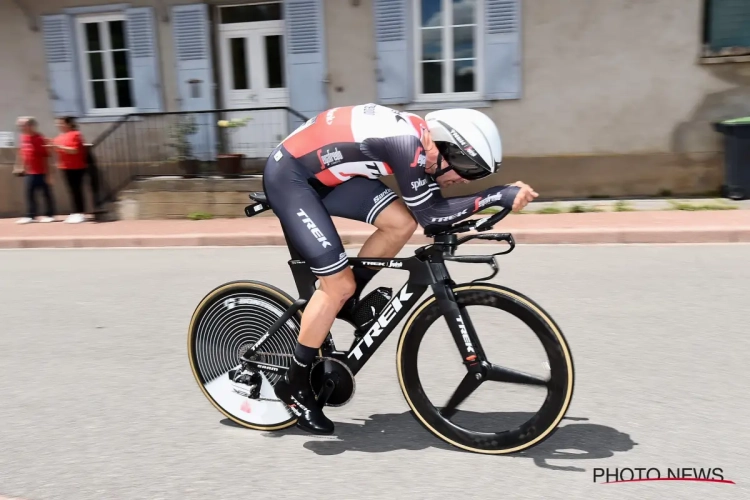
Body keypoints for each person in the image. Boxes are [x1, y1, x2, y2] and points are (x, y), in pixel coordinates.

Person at [256, 104, 538, 435]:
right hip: (291, 177)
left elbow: (426, 217)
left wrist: (484, 208)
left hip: (329, 175)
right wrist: (495, 194)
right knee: (337, 284)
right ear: (444, 147)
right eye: (466, 167)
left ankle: (345, 302)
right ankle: (295, 384)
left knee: (400, 223)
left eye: (475, 174)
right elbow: (432, 216)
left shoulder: (419, 142)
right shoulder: (407, 146)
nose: (462, 178)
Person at [13, 117, 56, 224]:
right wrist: (20, 166)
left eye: (23, 125)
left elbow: (46, 156)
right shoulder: (23, 137)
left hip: (42, 171)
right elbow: (22, 152)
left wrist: (49, 174)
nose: (20, 128)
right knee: (29, 194)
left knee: (46, 194)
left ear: (31, 126)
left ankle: (49, 215)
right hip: (29, 172)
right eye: (19, 126)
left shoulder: (39, 139)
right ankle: (30, 216)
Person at [49, 116, 88, 224]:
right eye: (58, 123)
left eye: (61, 123)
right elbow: (56, 150)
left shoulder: (76, 134)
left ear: (69, 124)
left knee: (77, 190)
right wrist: (52, 145)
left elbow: (74, 150)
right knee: (71, 191)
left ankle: (80, 213)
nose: (58, 125)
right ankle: (75, 212)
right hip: (65, 167)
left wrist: (59, 146)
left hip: (76, 167)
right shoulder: (59, 137)